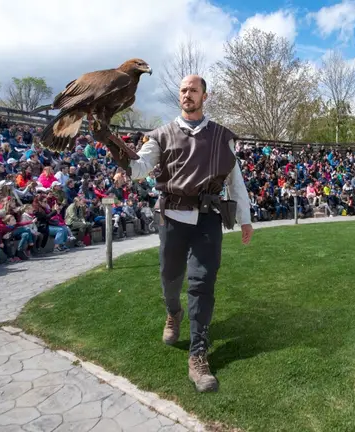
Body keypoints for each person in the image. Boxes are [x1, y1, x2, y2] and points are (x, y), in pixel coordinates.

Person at [107, 74, 253, 393]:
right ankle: (173, 312)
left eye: (193, 90)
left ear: (205, 96)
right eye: (183, 90)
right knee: (170, 277)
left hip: (208, 219)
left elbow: (235, 181)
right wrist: (116, 149)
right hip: (171, 218)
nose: (187, 94)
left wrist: (245, 219)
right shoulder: (160, 136)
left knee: (202, 282)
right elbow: (139, 168)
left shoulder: (222, 137)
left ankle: (198, 354)